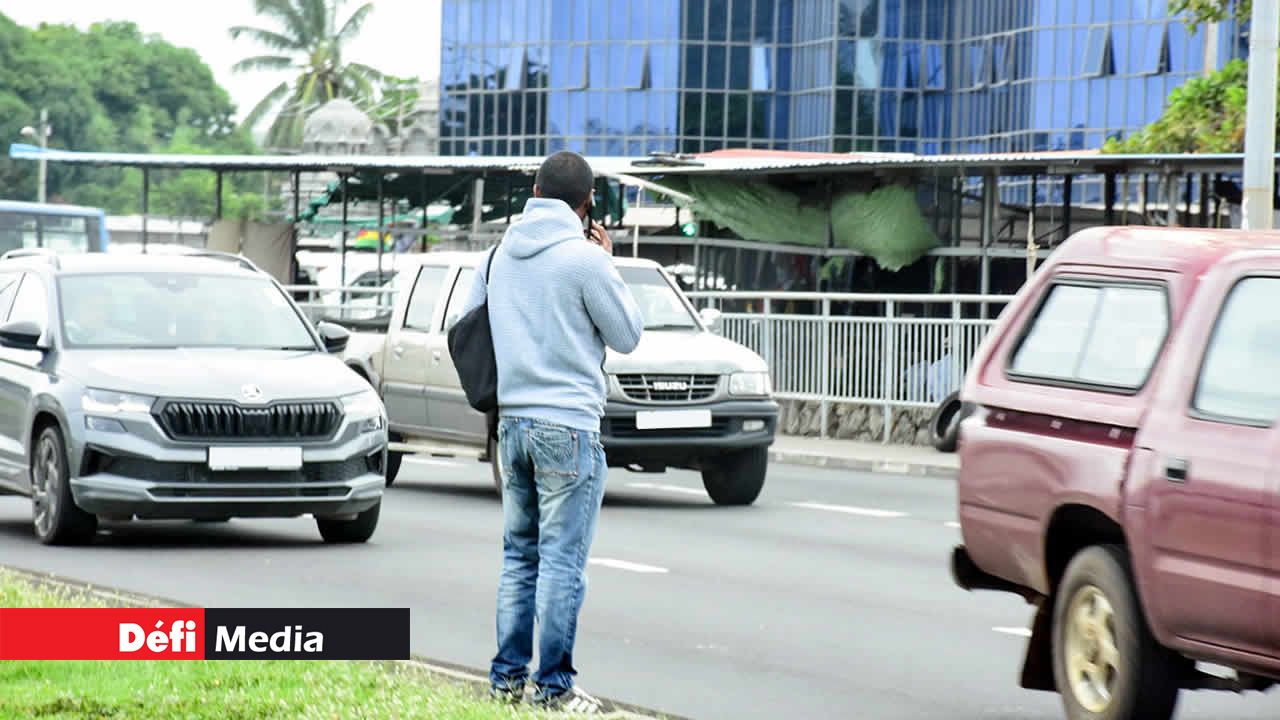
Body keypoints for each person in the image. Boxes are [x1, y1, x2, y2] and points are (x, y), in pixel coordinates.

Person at [462, 151, 643, 713]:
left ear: (535, 189)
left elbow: (470, 321)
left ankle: (506, 683)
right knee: (562, 562)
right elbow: (628, 334)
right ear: (588, 203)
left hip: (511, 425)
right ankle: (554, 689)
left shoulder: (498, 256)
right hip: (566, 427)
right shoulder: (585, 261)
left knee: (519, 556)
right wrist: (607, 262)